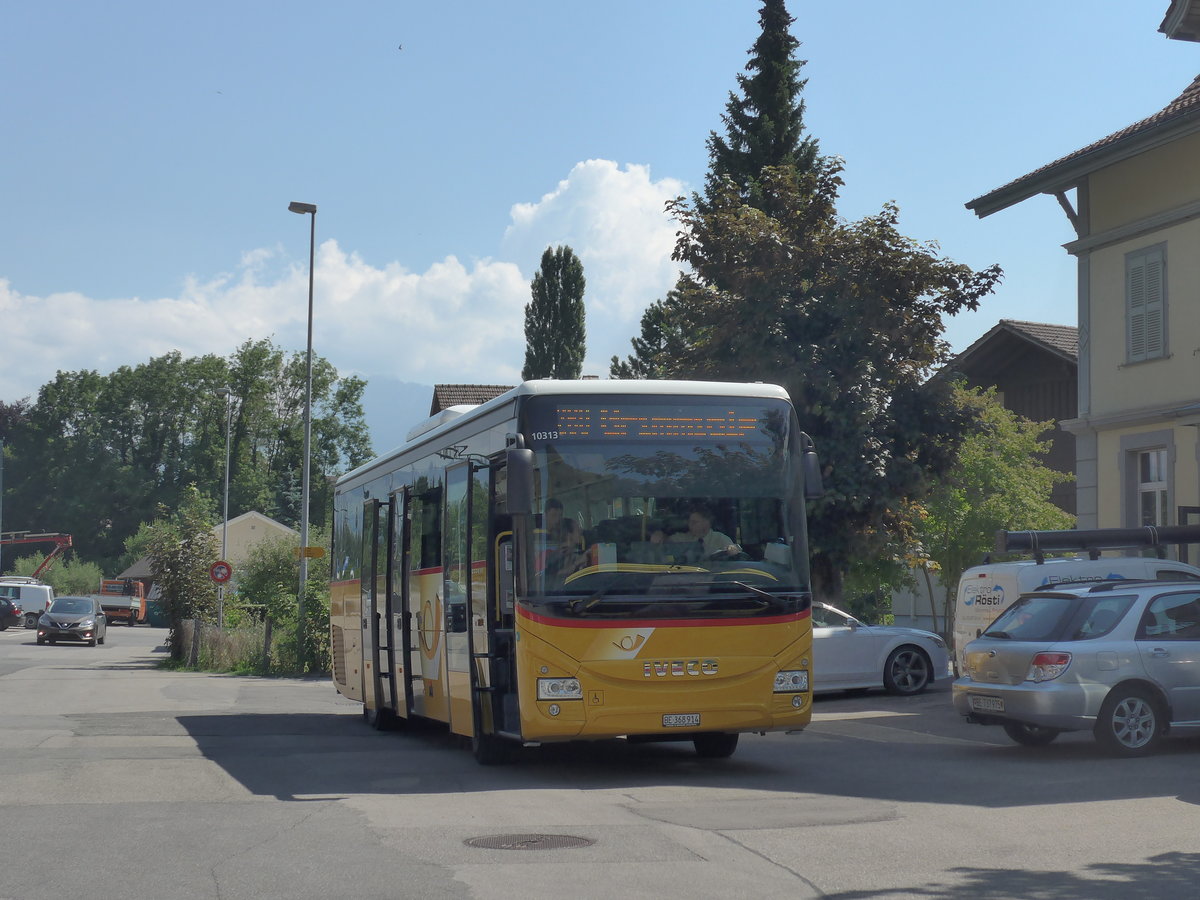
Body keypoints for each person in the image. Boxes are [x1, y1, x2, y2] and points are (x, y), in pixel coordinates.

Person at [668, 507, 740, 559]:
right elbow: (665, 545)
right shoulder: (681, 539)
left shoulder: (721, 539)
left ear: (706, 523)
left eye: (694, 522)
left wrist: (732, 550)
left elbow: (734, 554)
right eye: (689, 522)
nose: (690, 525)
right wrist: (661, 535)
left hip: (714, 578)